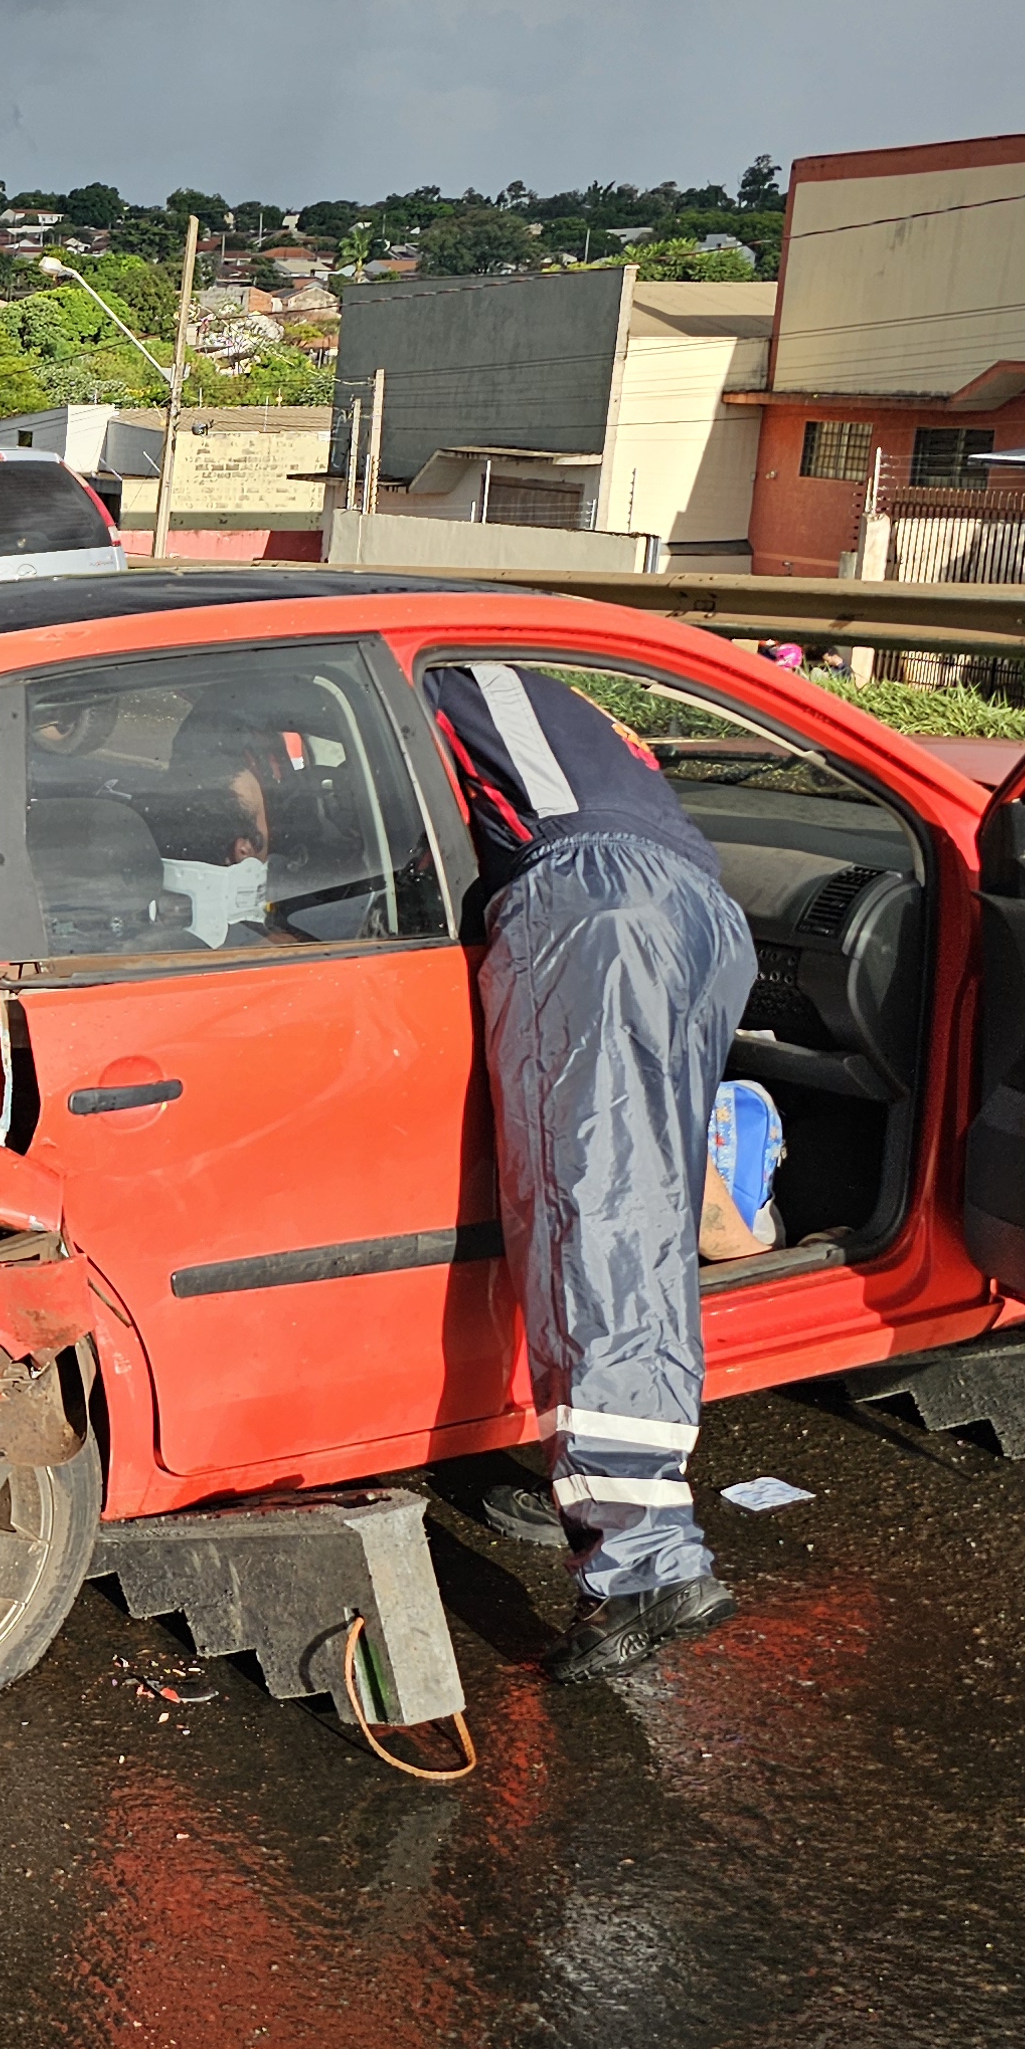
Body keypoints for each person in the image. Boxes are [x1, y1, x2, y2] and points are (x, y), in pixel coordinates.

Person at [423, 660, 759, 1683]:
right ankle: (609, 1499)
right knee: (633, 1221)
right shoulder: (494, 682)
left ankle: (646, 1561)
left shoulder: (406, 674)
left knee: (597, 1226)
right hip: (693, 907)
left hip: (594, 909)